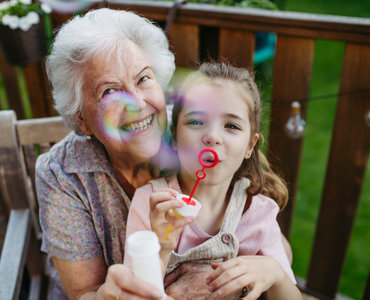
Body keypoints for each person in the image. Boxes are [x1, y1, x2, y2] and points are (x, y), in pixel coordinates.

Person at [125, 62, 302, 299]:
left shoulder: (259, 212)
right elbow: (133, 293)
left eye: (231, 125)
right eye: (196, 122)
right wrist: (162, 248)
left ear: (250, 145)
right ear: (175, 137)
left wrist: (275, 273)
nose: (212, 136)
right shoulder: (152, 203)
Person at [35, 8, 177, 300]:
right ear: (82, 120)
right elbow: (84, 292)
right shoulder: (61, 174)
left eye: (143, 79)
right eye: (110, 92)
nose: (137, 103)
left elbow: (267, 230)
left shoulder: (202, 133)